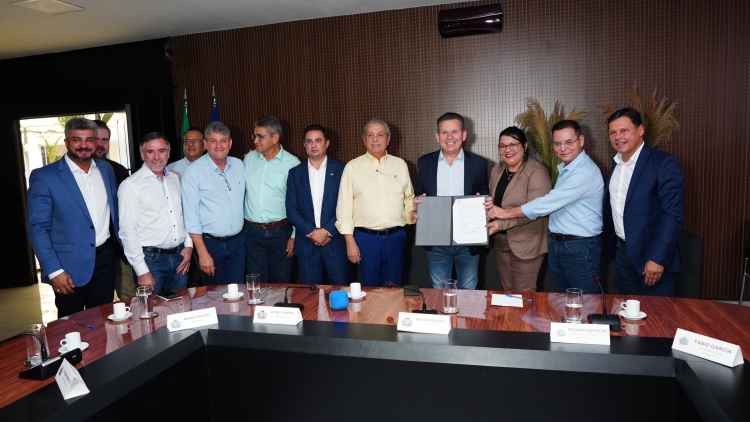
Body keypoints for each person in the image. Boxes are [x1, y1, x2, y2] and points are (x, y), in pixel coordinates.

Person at [487, 120, 603, 293]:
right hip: (557, 243)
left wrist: (504, 215)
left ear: (581, 140)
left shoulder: (582, 172)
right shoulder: (565, 168)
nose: (562, 148)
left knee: (584, 301)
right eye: (557, 143)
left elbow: (542, 206)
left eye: (568, 142)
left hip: (577, 247)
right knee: (566, 299)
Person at [27, 118, 120, 318]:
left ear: (97, 142)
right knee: (70, 328)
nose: (84, 145)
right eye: (77, 140)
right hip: (67, 266)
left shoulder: (106, 170)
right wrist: (54, 270)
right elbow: (37, 228)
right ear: (66, 142)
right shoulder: (45, 176)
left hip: (104, 260)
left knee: (103, 322)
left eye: (89, 140)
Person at [603, 107, 685, 296]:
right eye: (613, 132)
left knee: (657, 319)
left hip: (652, 257)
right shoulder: (615, 165)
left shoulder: (663, 163)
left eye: (624, 130)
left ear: (640, 130)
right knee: (629, 316)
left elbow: (673, 215)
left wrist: (658, 258)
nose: (618, 137)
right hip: (622, 255)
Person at [336, 118, 416, 286]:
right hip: (366, 239)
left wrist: (411, 212)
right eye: (370, 135)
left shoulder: (400, 164)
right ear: (364, 139)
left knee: (395, 287)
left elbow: (408, 197)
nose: (375, 139)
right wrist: (350, 243)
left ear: (388, 139)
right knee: (371, 290)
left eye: (380, 135)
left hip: (396, 237)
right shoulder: (352, 167)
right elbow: (344, 208)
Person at [414, 112, 489, 289]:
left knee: (469, 289)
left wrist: (484, 203)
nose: (449, 137)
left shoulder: (478, 163)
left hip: (468, 240)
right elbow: (418, 194)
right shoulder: (425, 162)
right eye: (444, 132)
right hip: (436, 239)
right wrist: (416, 205)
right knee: (439, 291)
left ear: (463, 135)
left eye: (454, 132)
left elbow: (484, 194)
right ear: (437, 136)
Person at [118, 132, 193, 293]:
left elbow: (181, 216)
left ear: (169, 152)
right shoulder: (130, 185)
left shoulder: (175, 179)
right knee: (152, 314)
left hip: (179, 258)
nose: (157, 156)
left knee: (178, 311)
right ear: (142, 154)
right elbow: (127, 231)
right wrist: (141, 270)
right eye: (151, 152)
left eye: (161, 150)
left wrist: (188, 245)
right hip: (151, 262)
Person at [485, 127, 551, 291]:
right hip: (500, 242)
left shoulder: (536, 172)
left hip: (526, 244)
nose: (508, 150)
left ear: (525, 146)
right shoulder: (497, 169)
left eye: (513, 144)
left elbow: (534, 212)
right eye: (503, 146)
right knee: (508, 293)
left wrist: (500, 224)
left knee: (523, 296)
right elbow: (493, 203)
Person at [182, 122, 245, 285]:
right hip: (210, 245)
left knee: (238, 292)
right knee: (214, 296)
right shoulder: (194, 171)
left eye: (223, 140)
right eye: (213, 141)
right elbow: (191, 216)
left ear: (230, 143)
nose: (219, 146)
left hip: (238, 243)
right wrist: (202, 253)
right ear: (205, 144)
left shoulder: (239, 165)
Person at [286, 125, 348, 285]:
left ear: (327, 143)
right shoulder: (295, 173)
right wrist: (312, 232)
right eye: (309, 141)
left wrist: (327, 231)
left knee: (340, 293)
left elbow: (346, 206)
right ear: (304, 145)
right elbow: (291, 210)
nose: (314, 145)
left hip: (334, 243)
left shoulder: (342, 170)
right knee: (310, 296)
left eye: (318, 140)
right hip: (307, 244)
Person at [243, 116, 300, 283]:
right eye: (254, 136)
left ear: (275, 138)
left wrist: (295, 236)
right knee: (256, 283)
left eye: (260, 136)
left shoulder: (292, 163)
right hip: (252, 233)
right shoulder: (249, 159)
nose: (255, 140)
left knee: (281, 282)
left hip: (281, 232)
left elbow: (299, 203)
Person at [93, 119, 135, 300]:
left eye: (105, 139)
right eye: (97, 139)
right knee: (96, 306)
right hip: (90, 253)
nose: (101, 144)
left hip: (119, 249)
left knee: (130, 299)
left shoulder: (119, 171)